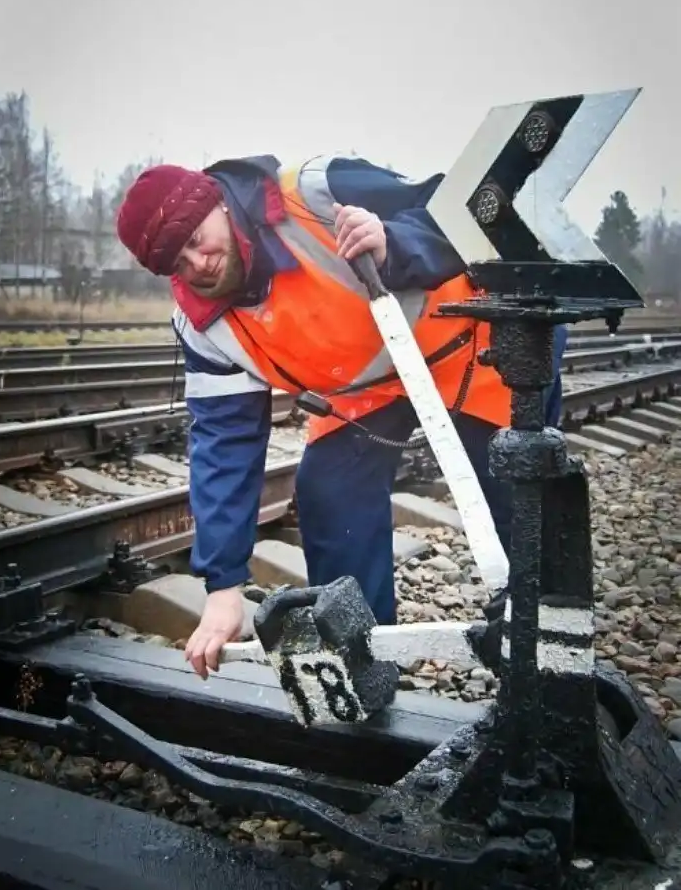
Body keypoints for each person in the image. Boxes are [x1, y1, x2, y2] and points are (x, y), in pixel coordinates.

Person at [116, 153, 567, 678]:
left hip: (475, 348)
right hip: (368, 392)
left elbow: (462, 207)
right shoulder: (205, 328)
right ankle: (364, 666)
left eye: (196, 240)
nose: (198, 265)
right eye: (178, 263)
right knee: (330, 493)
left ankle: (550, 659)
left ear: (218, 203)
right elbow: (224, 447)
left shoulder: (316, 192)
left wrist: (395, 240)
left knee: (517, 489)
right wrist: (223, 587)